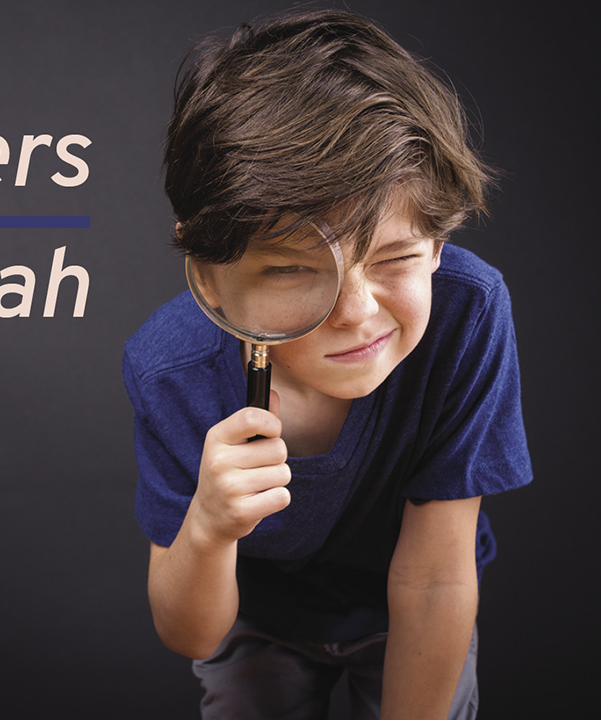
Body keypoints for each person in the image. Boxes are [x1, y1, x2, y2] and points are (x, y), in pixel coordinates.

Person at [122, 8, 532, 720]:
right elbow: (191, 634)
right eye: (290, 269)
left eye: (396, 258)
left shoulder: (466, 313)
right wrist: (209, 527)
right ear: (209, 278)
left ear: (438, 244)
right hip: (253, 614)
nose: (354, 311)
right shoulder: (170, 368)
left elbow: (434, 581)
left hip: (412, 607)